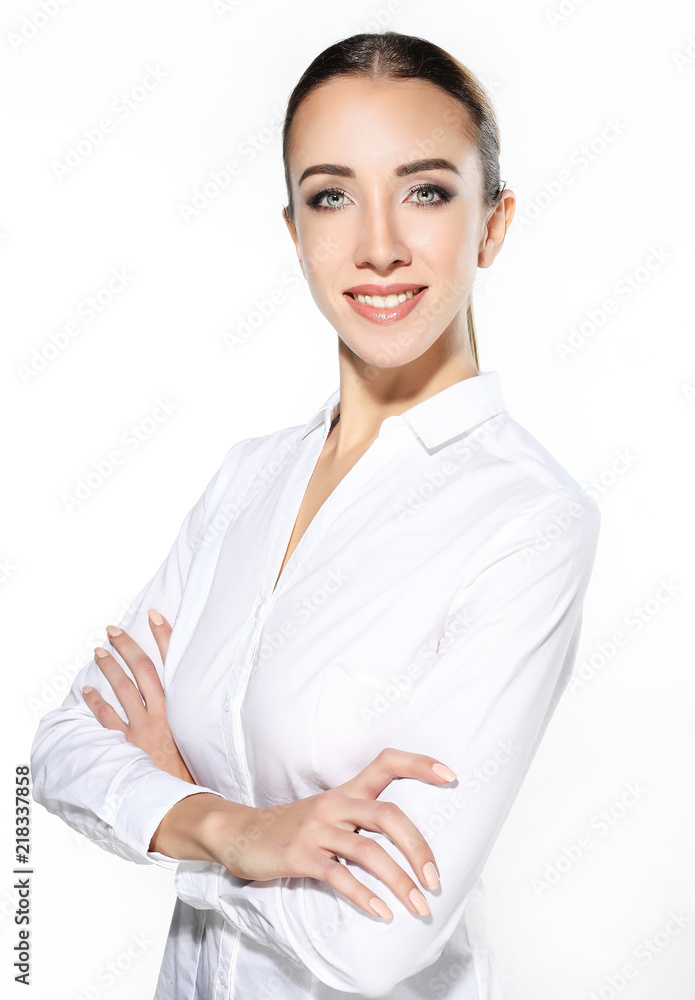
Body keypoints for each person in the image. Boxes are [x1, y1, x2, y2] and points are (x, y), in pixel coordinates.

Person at [30, 30, 601, 1000]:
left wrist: (173, 812)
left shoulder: (528, 521)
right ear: (294, 228)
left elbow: (372, 939)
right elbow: (60, 749)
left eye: (425, 191)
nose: (377, 245)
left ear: (492, 224)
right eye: (332, 195)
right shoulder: (248, 480)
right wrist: (235, 827)